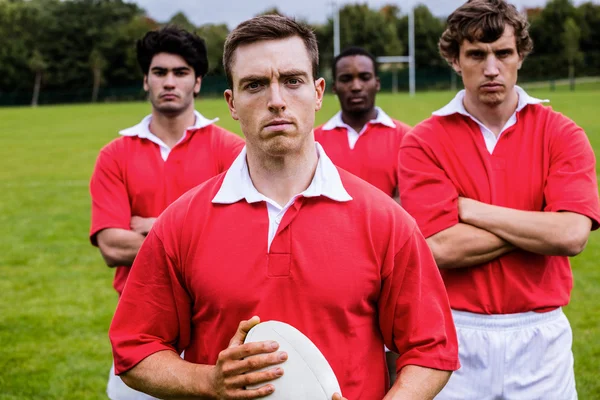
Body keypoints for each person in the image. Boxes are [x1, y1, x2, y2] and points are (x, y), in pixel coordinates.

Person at [108, 15, 459, 400]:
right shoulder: (181, 221)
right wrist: (208, 381)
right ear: (232, 103)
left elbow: (431, 349)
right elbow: (135, 349)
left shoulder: (386, 221)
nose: (276, 101)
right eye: (255, 85)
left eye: (292, 81)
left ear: (318, 92)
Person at [398, 1, 600, 399]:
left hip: (540, 337)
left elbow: (573, 235)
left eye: (503, 53)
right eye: (476, 54)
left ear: (520, 55)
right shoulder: (422, 141)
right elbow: (439, 248)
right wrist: (542, 224)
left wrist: (472, 211)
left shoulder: (563, 133)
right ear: (454, 60)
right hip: (456, 333)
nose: (491, 68)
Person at [89, 26, 244, 400]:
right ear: (146, 80)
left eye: (180, 72)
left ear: (197, 82)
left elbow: (242, 239)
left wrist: (154, 226)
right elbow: (111, 245)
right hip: (144, 325)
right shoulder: (115, 155)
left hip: (217, 326)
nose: (169, 82)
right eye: (160, 72)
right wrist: (201, 235)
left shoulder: (232, 151)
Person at [314, 47, 411, 199]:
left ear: (377, 83)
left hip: (388, 223)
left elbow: (409, 202)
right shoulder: (313, 141)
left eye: (364, 77)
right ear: (334, 87)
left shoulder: (407, 138)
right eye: (346, 79)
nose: (356, 87)